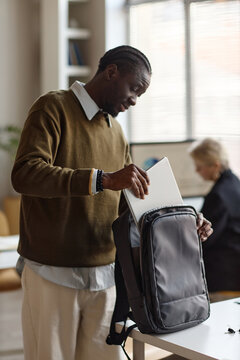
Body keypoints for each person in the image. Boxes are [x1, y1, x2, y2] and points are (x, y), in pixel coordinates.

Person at [12, 45, 213, 360]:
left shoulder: (116, 132)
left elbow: (132, 204)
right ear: (111, 72)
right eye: (134, 88)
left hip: (106, 276)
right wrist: (101, 179)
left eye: (140, 95)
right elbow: (25, 174)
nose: (134, 99)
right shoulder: (52, 107)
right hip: (52, 271)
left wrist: (185, 226)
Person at [189, 138, 240, 301]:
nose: (197, 171)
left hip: (223, 278)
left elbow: (204, 237)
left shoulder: (218, 195)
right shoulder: (234, 183)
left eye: (200, 166)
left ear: (215, 165)